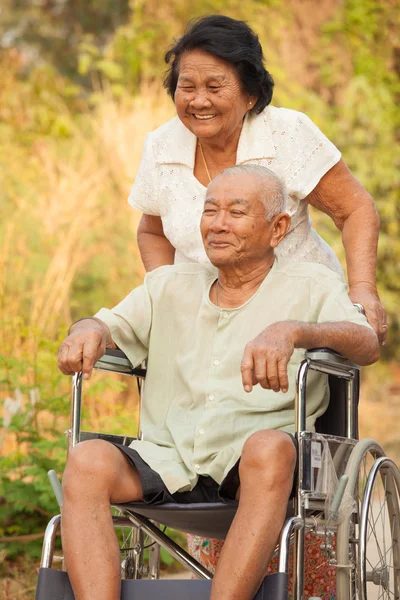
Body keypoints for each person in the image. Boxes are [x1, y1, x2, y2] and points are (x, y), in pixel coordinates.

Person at [58, 166, 379, 600]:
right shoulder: (167, 285)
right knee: (87, 459)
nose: (218, 223)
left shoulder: (311, 284)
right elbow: (102, 322)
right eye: (210, 210)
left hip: (254, 467)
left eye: (236, 211)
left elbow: (365, 343)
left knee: (268, 448)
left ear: (278, 228)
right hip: (168, 458)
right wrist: (86, 331)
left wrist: (296, 332)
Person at [131, 15, 387, 346]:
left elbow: (355, 209)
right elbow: (152, 232)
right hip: (207, 327)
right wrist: (167, 297)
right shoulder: (161, 146)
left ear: (250, 94)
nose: (198, 101)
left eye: (214, 86)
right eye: (187, 86)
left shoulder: (286, 134)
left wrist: (363, 289)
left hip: (302, 321)